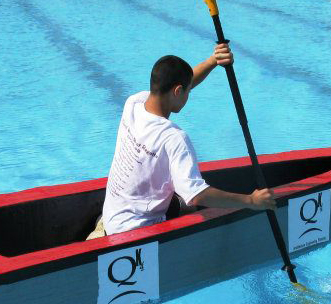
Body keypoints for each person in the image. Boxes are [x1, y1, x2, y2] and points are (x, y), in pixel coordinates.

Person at [94, 43, 275, 238]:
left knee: (178, 199)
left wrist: (213, 61)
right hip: (135, 234)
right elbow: (196, 195)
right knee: (193, 209)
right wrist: (251, 201)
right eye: (188, 91)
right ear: (178, 91)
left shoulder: (134, 103)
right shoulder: (174, 139)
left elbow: (178, 86)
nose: (189, 95)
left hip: (112, 216)